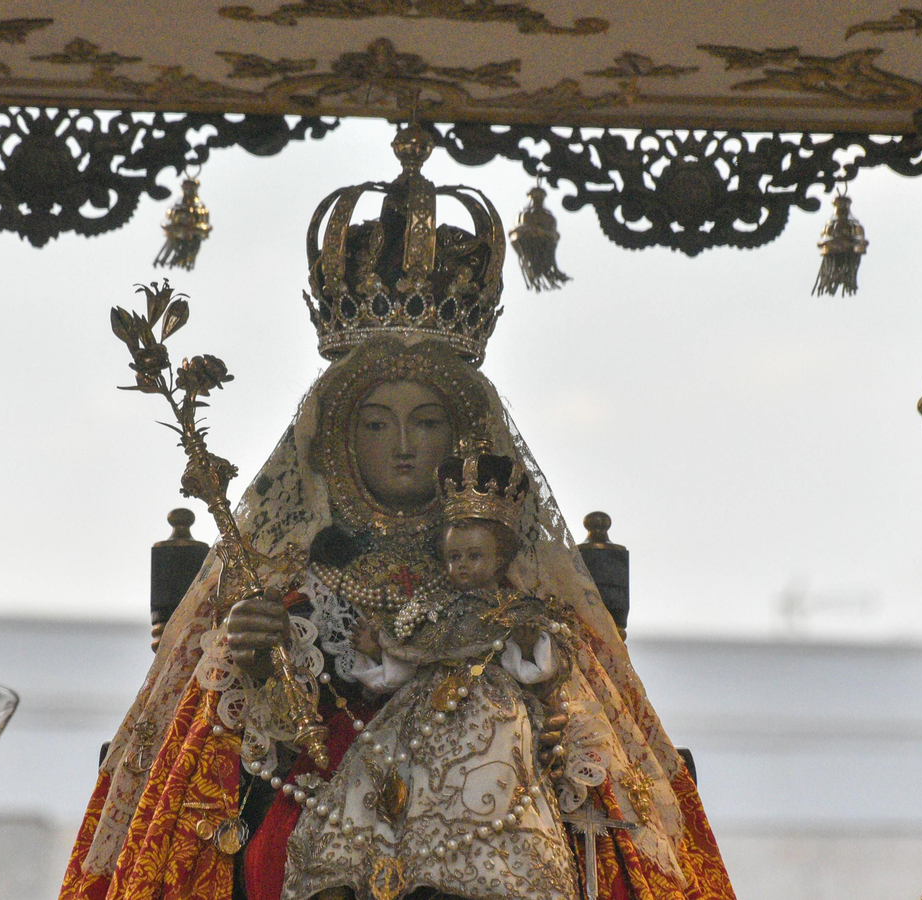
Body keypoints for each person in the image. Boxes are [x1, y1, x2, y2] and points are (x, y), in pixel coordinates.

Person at [59, 124, 735, 900]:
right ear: (339, 437)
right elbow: (253, 747)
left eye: (429, 423)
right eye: (378, 424)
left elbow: (573, 728)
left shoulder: (521, 585)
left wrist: (554, 717)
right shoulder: (290, 579)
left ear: (464, 432)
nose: (405, 447)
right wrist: (255, 658)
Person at [281, 442, 578, 900]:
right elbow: (400, 668)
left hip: (491, 714)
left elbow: (537, 669)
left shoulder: (513, 609)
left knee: (489, 783)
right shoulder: (429, 606)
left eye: (474, 557)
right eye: (455, 558)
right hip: (418, 713)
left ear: (500, 559)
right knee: (379, 778)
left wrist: (526, 642)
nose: (461, 567)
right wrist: (373, 653)